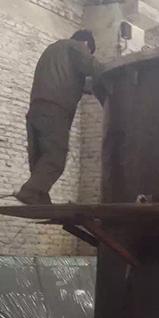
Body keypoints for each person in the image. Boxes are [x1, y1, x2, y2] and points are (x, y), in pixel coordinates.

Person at [15, 30, 102, 205]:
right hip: (55, 110)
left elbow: (71, 81)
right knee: (55, 157)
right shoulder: (77, 47)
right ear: (86, 44)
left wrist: (88, 87)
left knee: (40, 159)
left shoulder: (52, 51)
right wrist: (110, 76)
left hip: (36, 111)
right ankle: (30, 192)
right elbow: (94, 67)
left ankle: (40, 197)